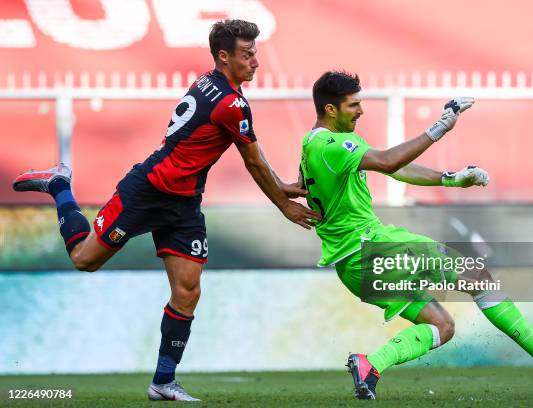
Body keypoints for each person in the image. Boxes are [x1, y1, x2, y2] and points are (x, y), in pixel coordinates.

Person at [12, 19, 321, 402]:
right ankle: (60, 185)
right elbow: (253, 161)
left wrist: (283, 186)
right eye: (248, 54)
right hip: (147, 192)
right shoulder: (230, 102)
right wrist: (283, 203)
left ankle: (163, 381)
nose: (256, 61)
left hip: (184, 203)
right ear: (224, 57)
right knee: (83, 259)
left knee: (187, 291)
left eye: (255, 52)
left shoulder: (212, 83)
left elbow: (254, 156)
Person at [298, 71, 533, 400]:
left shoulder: (315, 145)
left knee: (443, 327)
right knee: (477, 276)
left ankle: (371, 364)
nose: (361, 111)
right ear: (330, 109)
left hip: (353, 266)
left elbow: (395, 167)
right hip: (372, 247)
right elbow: (388, 161)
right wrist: (440, 126)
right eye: (353, 104)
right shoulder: (334, 144)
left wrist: (451, 179)